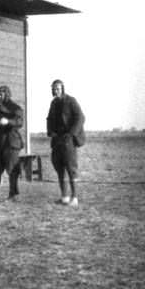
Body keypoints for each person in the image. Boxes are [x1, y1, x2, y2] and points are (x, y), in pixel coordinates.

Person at [47, 79, 85, 207]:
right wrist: (50, 131)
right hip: (57, 140)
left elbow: (80, 117)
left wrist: (71, 134)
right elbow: (49, 119)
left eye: (58, 88)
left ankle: (74, 198)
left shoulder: (71, 101)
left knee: (71, 168)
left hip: (68, 140)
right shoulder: (53, 103)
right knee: (59, 168)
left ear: (62, 88)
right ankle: (64, 197)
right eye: (54, 89)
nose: (56, 91)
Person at [0, 85, 25, 202]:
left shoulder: (15, 108)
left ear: (7, 94)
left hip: (11, 143)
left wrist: (8, 121)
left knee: (12, 170)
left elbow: (19, 121)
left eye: (1, 94)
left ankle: (13, 195)